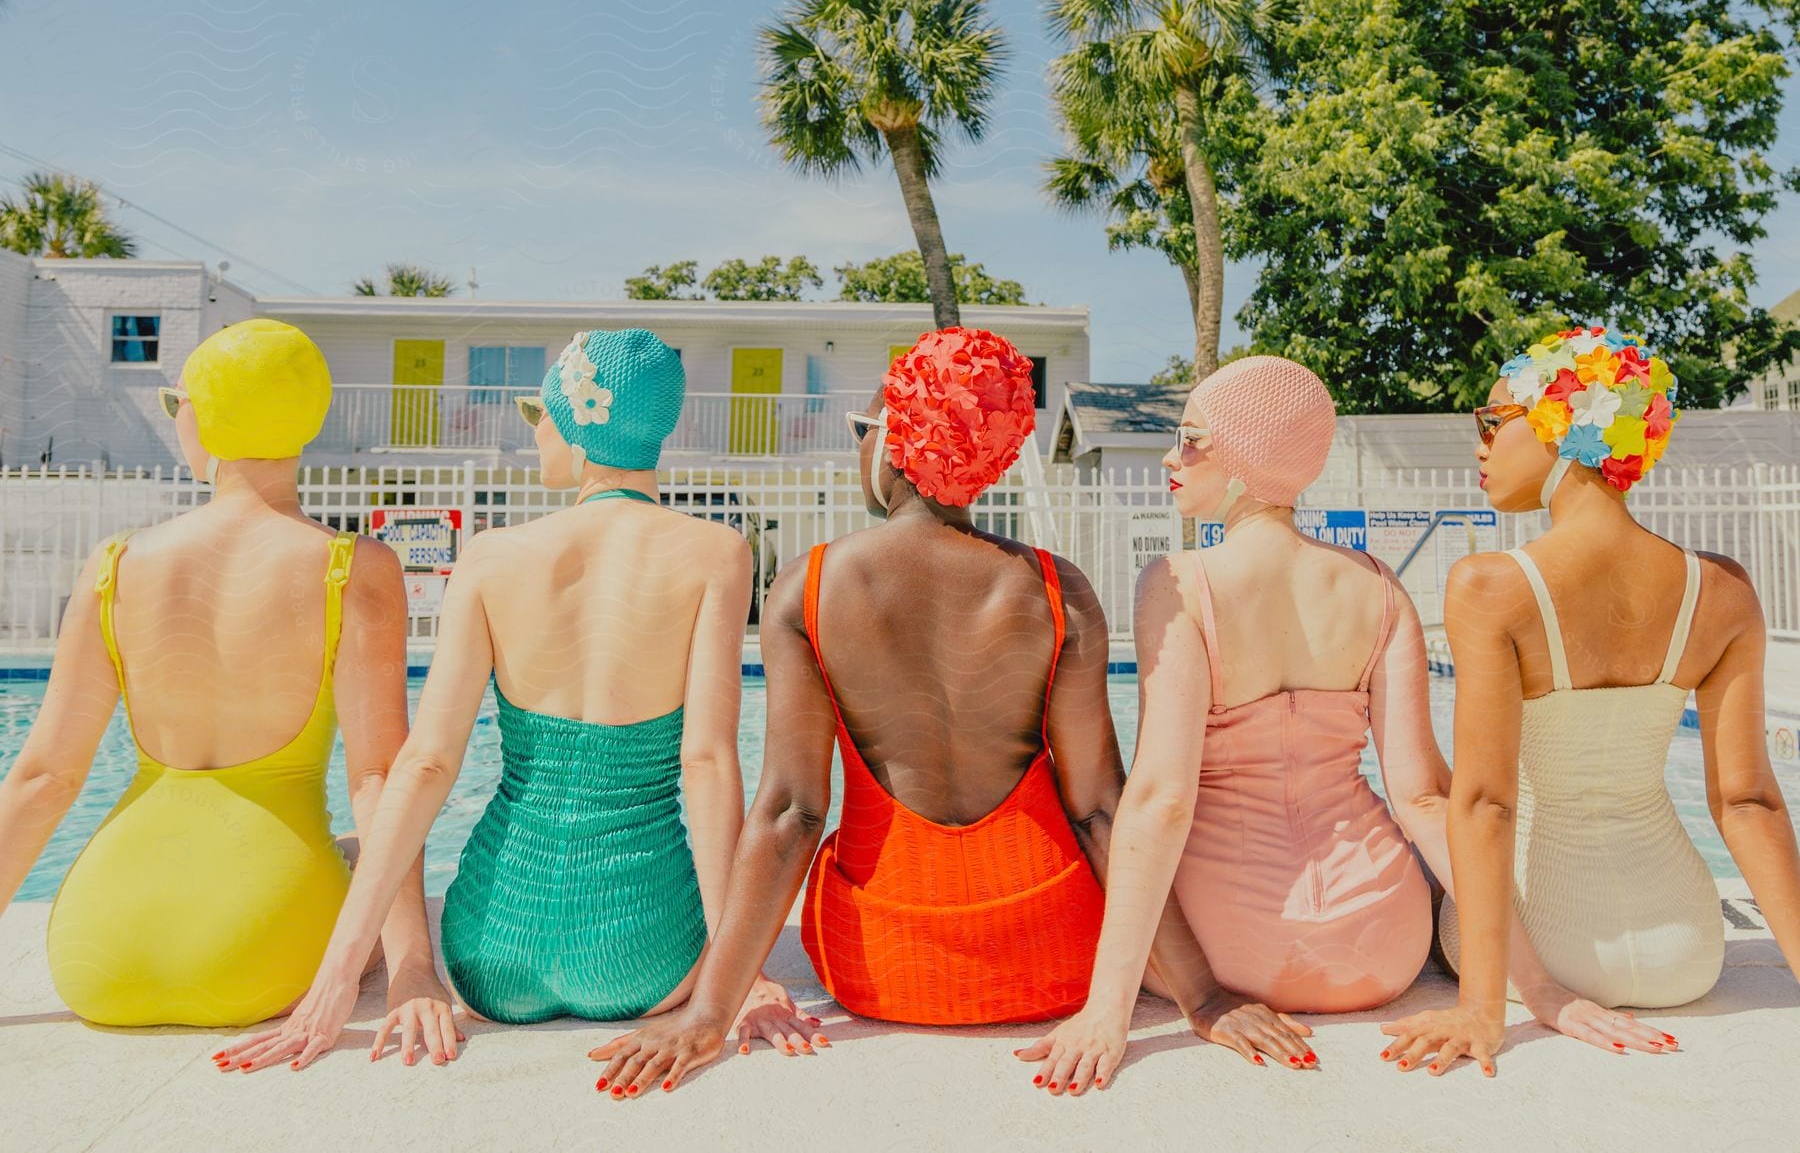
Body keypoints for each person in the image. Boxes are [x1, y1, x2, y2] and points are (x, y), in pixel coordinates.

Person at [1021, 354, 1675, 1096]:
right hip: (1382, 945)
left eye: (1195, 439)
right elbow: (1425, 800)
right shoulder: (1376, 586)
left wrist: (1106, 1011)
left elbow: (1160, 801)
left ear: (1246, 456)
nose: (1175, 457)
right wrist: (1543, 989)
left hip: (1232, 944)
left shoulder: (1182, 586)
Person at [591, 327, 1218, 1099]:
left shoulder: (811, 588)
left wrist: (709, 1012)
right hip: (1053, 953)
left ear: (895, 441)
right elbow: (1102, 810)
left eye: (866, 429)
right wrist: (1205, 997)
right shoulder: (1056, 591)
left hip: (877, 963)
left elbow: (790, 813)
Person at [217, 327, 783, 1073]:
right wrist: (738, 980)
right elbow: (708, 763)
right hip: (647, 953)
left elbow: (425, 766)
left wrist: (336, 982)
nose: (536, 433)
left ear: (581, 429)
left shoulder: (493, 556)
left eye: (540, 415)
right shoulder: (717, 553)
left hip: (493, 954)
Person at [0, 318, 438, 1036]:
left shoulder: (114, 565)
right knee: (360, 854)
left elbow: (45, 778)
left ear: (202, 416)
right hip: (260, 949)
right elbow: (380, 781)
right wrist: (412, 967)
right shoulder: (350, 569)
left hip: (99, 952)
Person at [1384, 324, 1800, 1077]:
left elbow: (1484, 804)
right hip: (1687, 949)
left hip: (1545, 947)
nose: (1475, 444)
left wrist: (1483, 1008)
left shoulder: (1492, 586)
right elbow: (1747, 803)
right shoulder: (1723, 589)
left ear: (1558, 426)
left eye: (1490, 420)